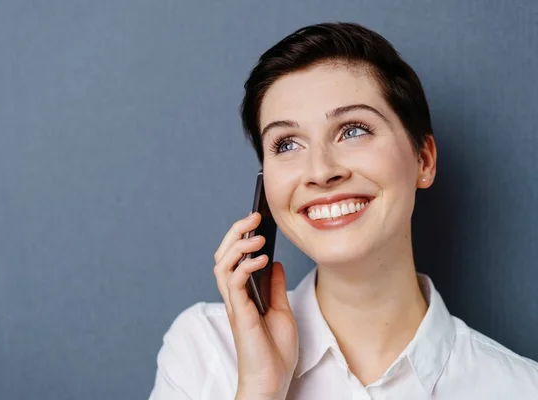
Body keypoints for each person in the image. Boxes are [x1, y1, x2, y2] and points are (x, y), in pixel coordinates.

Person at [148, 22, 538, 399]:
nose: (321, 171)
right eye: (286, 144)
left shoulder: (521, 388)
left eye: (353, 130)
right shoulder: (204, 352)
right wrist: (261, 389)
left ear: (423, 160)